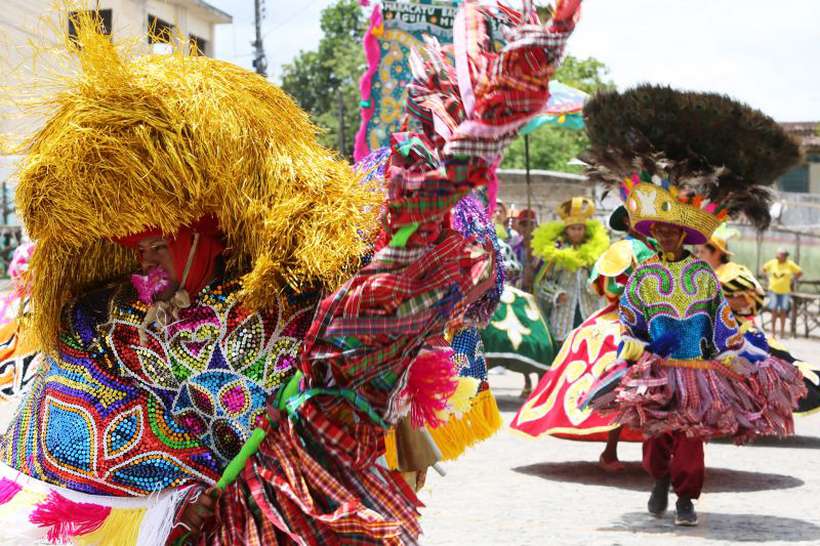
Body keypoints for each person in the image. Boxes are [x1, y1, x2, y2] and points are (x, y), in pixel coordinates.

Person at [0, 3, 582, 544]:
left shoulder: (298, 307)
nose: (144, 262)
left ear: (210, 232)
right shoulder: (104, 321)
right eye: (136, 250)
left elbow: (370, 427)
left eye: (156, 245)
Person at [584, 85, 806, 527]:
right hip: (655, 367)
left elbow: (721, 318)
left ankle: (686, 496)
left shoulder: (703, 275)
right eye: (661, 232)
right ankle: (659, 481)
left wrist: (733, 347)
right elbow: (630, 317)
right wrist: (631, 342)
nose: (667, 237)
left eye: (674, 233)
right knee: (655, 436)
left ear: (684, 237)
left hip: (698, 369)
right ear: (654, 235)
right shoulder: (644, 276)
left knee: (691, 437)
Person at [511, 205, 653, 471]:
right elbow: (606, 286)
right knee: (616, 374)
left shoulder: (661, 249)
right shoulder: (622, 250)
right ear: (627, 220)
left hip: (658, 318)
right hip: (626, 317)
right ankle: (611, 450)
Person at [698, 228, 820, 415]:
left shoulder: (733, 272)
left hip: (742, 338)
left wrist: (713, 301)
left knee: (784, 373)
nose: (699, 256)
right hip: (714, 339)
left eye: (703, 252)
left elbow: (750, 300)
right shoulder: (703, 274)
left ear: (717, 252)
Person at [531, 197, 608, 346]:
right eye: (573, 229)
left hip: (589, 310)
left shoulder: (595, 253)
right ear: (566, 230)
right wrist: (556, 294)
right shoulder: (557, 253)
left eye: (580, 228)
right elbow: (542, 283)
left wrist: (594, 286)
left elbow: (602, 280)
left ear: (585, 230)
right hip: (563, 314)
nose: (577, 232)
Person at [762, 248, 803, 339]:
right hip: (773, 290)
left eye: (781, 254)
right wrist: (767, 279)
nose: (778, 256)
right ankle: (773, 333)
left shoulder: (790, 264)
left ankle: (782, 333)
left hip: (785, 291)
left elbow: (800, 272)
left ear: (785, 256)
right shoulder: (772, 262)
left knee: (783, 311)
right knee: (774, 311)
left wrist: (793, 279)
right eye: (778, 254)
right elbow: (764, 269)